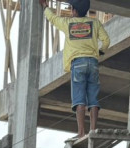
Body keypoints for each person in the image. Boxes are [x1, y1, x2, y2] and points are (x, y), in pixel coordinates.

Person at [39, 0, 109, 138]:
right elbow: (106, 40)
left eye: (71, 8)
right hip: (93, 63)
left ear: (75, 11)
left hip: (78, 64)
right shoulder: (95, 23)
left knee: (79, 99)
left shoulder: (68, 24)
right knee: (93, 98)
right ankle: (93, 130)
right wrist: (100, 51)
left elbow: (52, 19)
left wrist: (45, 6)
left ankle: (81, 132)